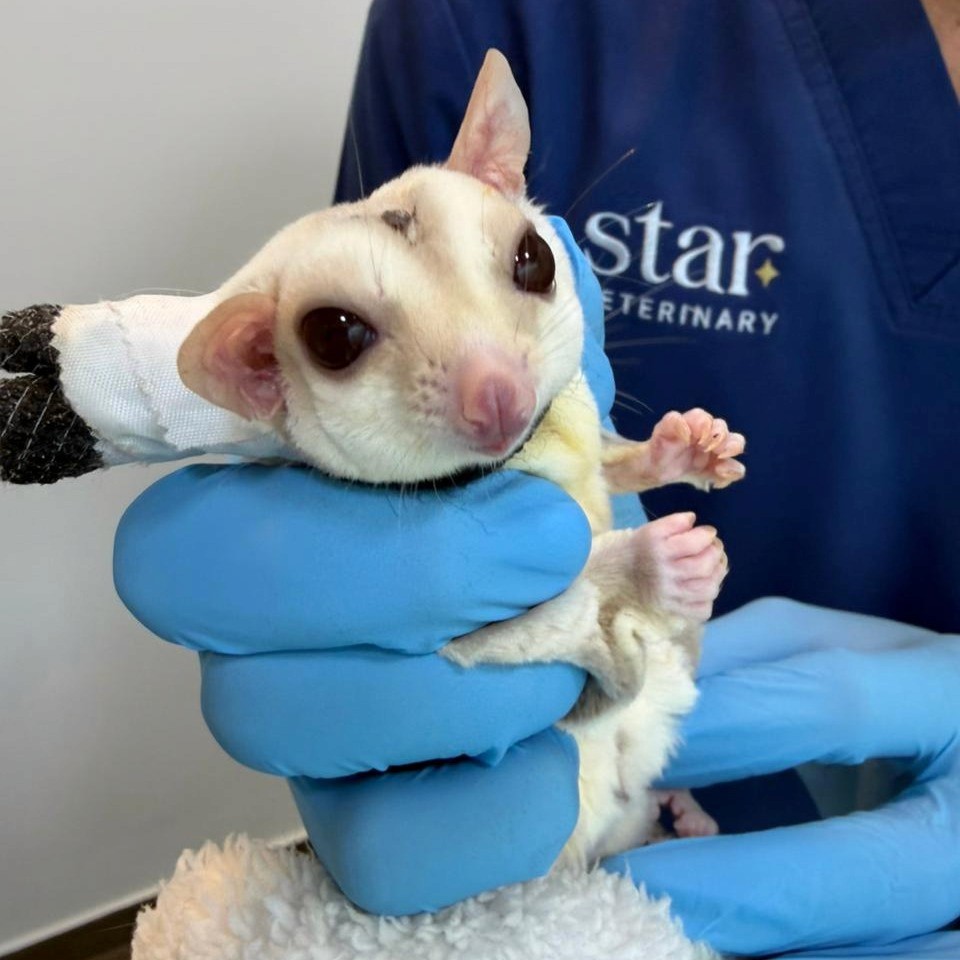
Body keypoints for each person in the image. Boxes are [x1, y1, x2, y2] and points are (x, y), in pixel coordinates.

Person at [113, 1, 960, 956]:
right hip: (560, 848)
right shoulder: (501, 20)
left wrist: (653, 477)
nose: (494, 387)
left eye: (522, 265)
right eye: (343, 339)